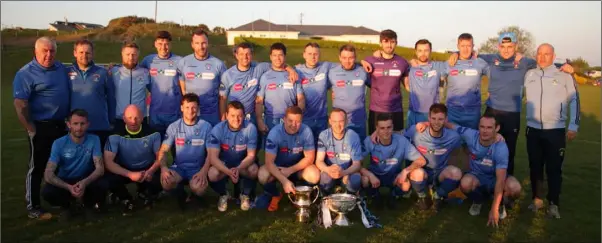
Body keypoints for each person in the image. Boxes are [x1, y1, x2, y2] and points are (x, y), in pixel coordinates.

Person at [448, 32, 574, 175]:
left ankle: (506, 186)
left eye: (510, 46)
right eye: (503, 46)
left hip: (512, 115)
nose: (506, 50)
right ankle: (482, 180)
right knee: (483, 149)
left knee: (508, 151)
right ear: (498, 46)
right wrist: (455, 53)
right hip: (492, 111)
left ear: (516, 46)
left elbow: (545, 63)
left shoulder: (524, 61)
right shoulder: (490, 58)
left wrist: (564, 66)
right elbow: (468, 53)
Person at [428, 114, 522, 227]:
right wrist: (426, 124)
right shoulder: (471, 135)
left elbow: (500, 180)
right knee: (465, 183)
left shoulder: (501, 147)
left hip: (494, 178)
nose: (485, 131)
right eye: (482, 127)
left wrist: (494, 209)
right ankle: (478, 201)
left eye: (489, 128)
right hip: (477, 176)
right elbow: (451, 125)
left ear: (496, 129)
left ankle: (500, 203)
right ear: (478, 127)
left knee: (515, 187)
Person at [13, 36, 70, 219]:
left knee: (61, 165)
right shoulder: (25, 73)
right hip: (40, 127)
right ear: (35, 52)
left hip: (61, 126)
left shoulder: (60, 68)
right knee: (37, 167)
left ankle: (64, 201)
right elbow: (20, 104)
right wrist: (30, 128)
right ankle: (34, 207)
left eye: (52, 50)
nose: (48, 55)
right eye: (44, 51)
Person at [523, 43, 580, 219]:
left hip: (555, 131)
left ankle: (554, 203)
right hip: (532, 130)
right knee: (535, 167)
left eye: (546, 54)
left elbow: (574, 100)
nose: (542, 57)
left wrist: (573, 125)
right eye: (539, 53)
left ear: (554, 56)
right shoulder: (529, 74)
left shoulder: (564, 75)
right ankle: (537, 199)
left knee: (554, 169)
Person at [296, 43, 371, 140]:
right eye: (310, 54)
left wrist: (362, 62)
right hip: (332, 120)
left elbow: (376, 86)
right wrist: (289, 69)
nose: (313, 57)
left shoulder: (361, 70)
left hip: (356, 120)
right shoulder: (298, 70)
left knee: (358, 150)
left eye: (316, 54)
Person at [42, 109, 106, 220]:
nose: (79, 128)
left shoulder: (94, 139)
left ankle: (88, 206)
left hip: (84, 178)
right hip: (65, 179)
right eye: (75, 124)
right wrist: (68, 187)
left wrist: (84, 183)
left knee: (103, 183)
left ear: (88, 124)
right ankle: (67, 207)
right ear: (68, 124)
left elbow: (100, 168)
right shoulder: (59, 143)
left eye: (82, 123)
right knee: (48, 192)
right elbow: (48, 174)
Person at [255, 106, 320, 212]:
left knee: (314, 174)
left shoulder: (306, 131)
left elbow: (310, 158)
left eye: (297, 121)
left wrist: (290, 170)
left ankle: (301, 195)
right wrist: (284, 180)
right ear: (284, 119)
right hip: (278, 169)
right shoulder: (274, 133)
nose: (294, 125)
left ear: (302, 120)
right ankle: (275, 194)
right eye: (290, 120)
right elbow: (269, 162)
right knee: (262, 174)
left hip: (297, 168)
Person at [103, 105, 163, 215]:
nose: (133, 121)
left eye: (137, 117)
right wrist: (130, 174)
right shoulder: (114, 135)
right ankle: (126, 198)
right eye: (129, 118)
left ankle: (146, 192)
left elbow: (160, 157)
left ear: (142, 117)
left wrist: (151, 171)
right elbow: (108, 162)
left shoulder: (153, 133)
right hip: (125, 168)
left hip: (147, 168)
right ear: (124, 119)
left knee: (162, 177)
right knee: (109, 178)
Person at [158, 93, 213, 210]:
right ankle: (180, 194)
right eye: (187, 107)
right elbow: (163, 150)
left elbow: (211, 153)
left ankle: (194, 196)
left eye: (194, 107)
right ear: (181, 108)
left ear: (198, 109)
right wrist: (163, 168)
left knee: (199, 188)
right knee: (166, 182)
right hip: (179, 168)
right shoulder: (174, 127)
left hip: (197, 168)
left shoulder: (206, 127)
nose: (190, 110)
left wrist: (204, 171)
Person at [404, 103, 463, 211]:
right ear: (429, 118)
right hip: (423, 172)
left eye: (440, 119)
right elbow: (399, 139)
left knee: (456, 172)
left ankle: (438, 196)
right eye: (434, 118)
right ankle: (422, 197)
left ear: (446, 119)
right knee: (417, 173)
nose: (436, 122)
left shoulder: (453, 137)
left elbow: (456, 152)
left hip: (440, 173)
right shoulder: (416, 131)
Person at [360, 113, 426, 209]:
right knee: (364, 179)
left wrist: (405, 171)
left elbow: (421, 160)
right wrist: (370, 175)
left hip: (393, 175)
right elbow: (356, 163)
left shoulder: (401, 141)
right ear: (376, 128)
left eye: (388, 127)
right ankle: (373, 195)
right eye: (382, 128)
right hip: (375, 174)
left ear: (393, 127)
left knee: (406, 185)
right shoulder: (370, 141)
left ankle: (394, 195)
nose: (386, 131)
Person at [207, 101, 258, 212]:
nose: (236, 119)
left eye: (240, 116)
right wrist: (228, 171)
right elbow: (213, 158)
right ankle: (224, 194)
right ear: (226, 115)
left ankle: (245, 195)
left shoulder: (250, 128)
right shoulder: (218, 129)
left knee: (254, 170)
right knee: (212, 174)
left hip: (242, 163)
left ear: (244, 116)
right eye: (233, 115)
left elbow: (251, 156)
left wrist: (238, 168)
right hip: (224, 163)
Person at [68, 39, 115, 147]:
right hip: (76, 129)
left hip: (100, 127)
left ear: (93, 54)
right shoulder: (66, 72)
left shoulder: (103, 72)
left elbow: (111, 99)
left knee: (100, 162)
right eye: (81, 52)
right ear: (75, 53)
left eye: (88, 53)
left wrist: (111, 121)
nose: (84, 55)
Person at [363, 29, 410, 134]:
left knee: (397, 140)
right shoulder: (370, 61)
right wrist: (362, 61)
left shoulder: (402, 62)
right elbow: (356, 66)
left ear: (396, 43)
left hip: (396, 110)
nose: (389, 45)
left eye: (392, 42)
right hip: (376, 110)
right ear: (380, 43)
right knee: (375, 141)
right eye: (386, 41)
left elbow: (408, 85)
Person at [177, 29, 226, 126]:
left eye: (203, 43)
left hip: (212, 116)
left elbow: (223, 96)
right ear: (192, 44)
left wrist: (223, 116)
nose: (201, 47)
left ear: (208, 43)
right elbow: (183, 91)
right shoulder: (183, 63)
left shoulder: (219, 64)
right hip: (191, 116)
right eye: (197, 43)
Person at [140, 31, 183, 141]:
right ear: (155, 44)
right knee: (156, 150)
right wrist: (114, 66)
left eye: (166, 44)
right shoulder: (148, 60)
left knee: (176, 150)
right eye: (160, 44)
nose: (163, 47)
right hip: (155, 115)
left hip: (175, 114)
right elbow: (134, 70)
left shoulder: (180, 61)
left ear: (170, 44)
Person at [255, 42, 304, 136]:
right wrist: (260, 121)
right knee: (271, 150)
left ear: (285, 56)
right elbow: (259, 101)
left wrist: (297, 118)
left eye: (280, 55)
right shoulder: (265, 77)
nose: (277, 58)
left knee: (290, 149)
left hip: (290, 120)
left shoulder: (293, 75)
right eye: (274, 55)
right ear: (270, 57)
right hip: (271, 120)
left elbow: (301, 99)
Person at [328, 44, 371, 143]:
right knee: (340, 152)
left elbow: (376, 87)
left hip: (359, 120)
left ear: (355, 58)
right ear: (339, 58)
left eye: (351, 58)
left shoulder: (363, 71)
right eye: (344, 58)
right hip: (338, 121)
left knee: (358, 151)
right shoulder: (332, 72)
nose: (347, 61)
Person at [315, 108, 362, 195]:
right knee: (325, 177)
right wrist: (328, 170)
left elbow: (357, 164)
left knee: (355, 179)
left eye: (341, 121)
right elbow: (319, 161)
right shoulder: (324, 135)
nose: (337, 125)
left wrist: (344, 172)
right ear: (330, 121)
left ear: (346, 121)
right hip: (330, 171)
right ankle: (326, 197)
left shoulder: (353, 136)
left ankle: (350, 197)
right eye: (334, 121)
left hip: (347, 171)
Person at [109, 42, 151, 132]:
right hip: (119, 119)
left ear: (138, 55)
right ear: (122, 54)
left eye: (134, 54)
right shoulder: (113, 71)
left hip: (139, 119)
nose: (131, 57)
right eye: (127, 54)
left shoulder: (145, 73)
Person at [405, 39, 447, 127]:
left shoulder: (438, 66)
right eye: (420, 51)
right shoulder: (409, 67)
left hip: (433, 114)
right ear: (416, 52)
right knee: (412, 139)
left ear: (430, 51)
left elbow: (455, 61)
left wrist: (456, 53)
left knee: (432, 139)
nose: (423, 53)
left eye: (426, 50)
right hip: (414, 113)